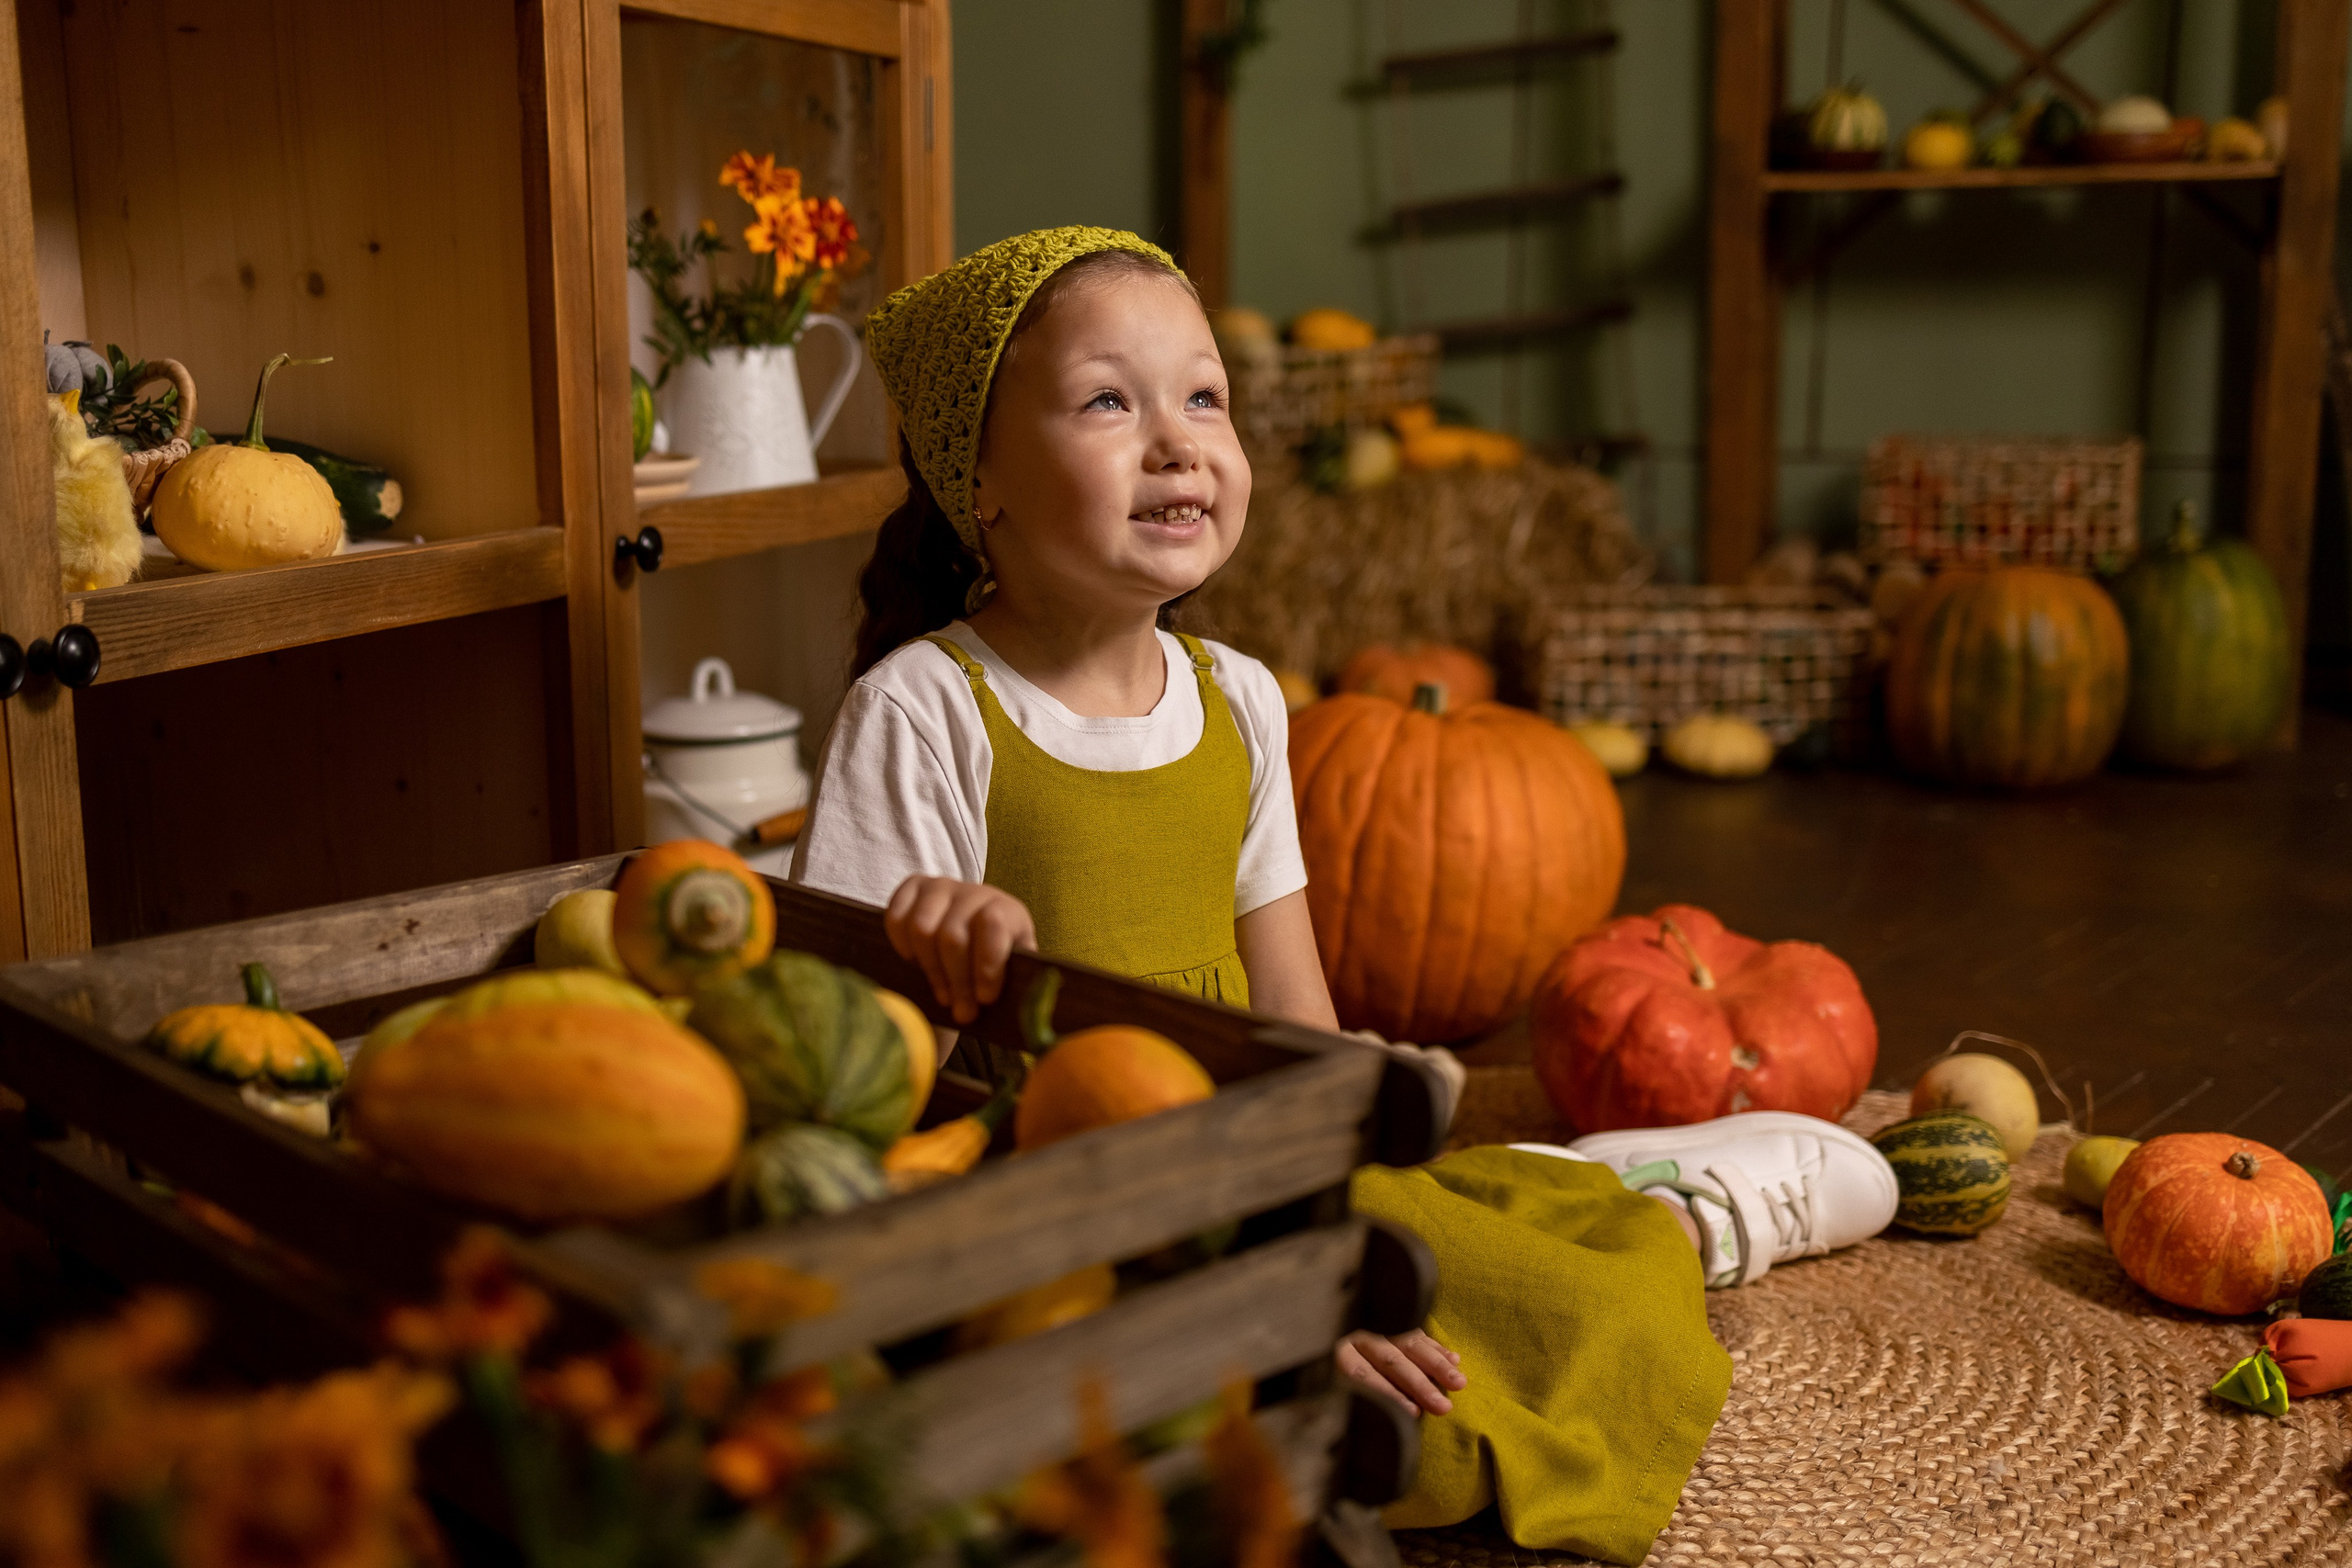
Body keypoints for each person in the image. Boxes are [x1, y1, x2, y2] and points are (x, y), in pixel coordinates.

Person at [793, 228, 1896, 1563]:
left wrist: (1322, 1241)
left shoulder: (1244, 703)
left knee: (1554, 1297)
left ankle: (1662, 1209)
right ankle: (1568, 1211)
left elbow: (1302, 1033)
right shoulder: (925, 709)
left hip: (1260, 1169)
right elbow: (838, 1064)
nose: (1177, 441)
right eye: (1106, 401)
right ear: (981, 478)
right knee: (1296, 1448)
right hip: (1060, 1220)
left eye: (1205, 396)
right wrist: (934, 951)